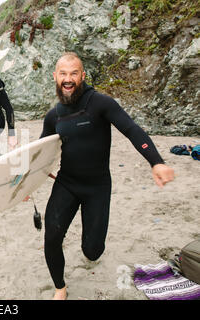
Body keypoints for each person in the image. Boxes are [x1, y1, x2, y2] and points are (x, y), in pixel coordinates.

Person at [39, 52, 175, 300]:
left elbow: (131, 129)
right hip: (66, 183)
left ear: (82, 75)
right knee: (52, 235)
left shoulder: (100, 103)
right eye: (63, 74)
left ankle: (91, 250)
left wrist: (156, 162)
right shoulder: (54, 115)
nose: (68, 79)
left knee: (92, 251)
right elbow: (41, 153)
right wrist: (26, 182)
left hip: (97, 187)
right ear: (55, 76)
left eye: (73, 73)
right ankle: (60, 287)